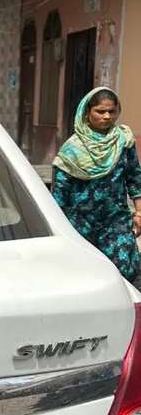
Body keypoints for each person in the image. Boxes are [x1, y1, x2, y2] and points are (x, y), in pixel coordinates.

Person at [52, 87, 141, 282]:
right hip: (79, 223)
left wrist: (139, 212)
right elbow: (59, 195)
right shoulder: (72, 150)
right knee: (83, 275)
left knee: (126, 268)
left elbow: (135, 178)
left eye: (112, 111)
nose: (107, 116)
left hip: (115, 219)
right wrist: (57, 228)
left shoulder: (124, 141)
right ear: (87, 112)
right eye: (100, 111)